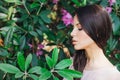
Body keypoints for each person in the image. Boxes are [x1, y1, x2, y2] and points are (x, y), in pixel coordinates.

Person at [70, 4, 120, 80]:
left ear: (97, 31)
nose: (72, 33)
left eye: (79, 28)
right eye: (73, 27)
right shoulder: (75, 62)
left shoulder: (112, 76)